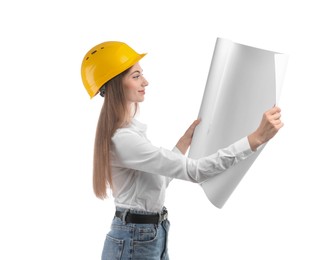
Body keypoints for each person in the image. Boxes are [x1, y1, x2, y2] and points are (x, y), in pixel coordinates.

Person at [81, 41, 283, 260]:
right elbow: (194, 171)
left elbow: (157, 182)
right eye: (136, 76)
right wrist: (254, 139)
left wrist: (182, 144)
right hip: (136, 239)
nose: (145, 82)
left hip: (148, 234)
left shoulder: (129, 133)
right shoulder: (124, 140)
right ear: (116, 84)